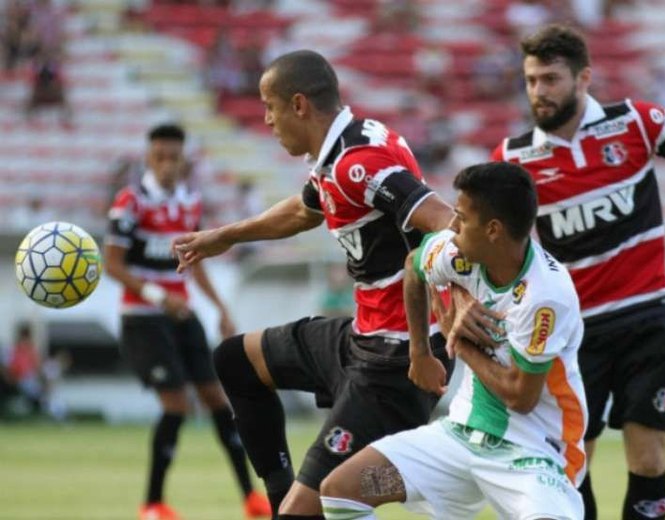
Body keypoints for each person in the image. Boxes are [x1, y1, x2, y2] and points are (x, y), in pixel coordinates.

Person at [487, 25, 665, 520]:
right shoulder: (513, 160)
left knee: (649, 455)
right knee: (573, 462)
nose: (539, 92)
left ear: (584, 78)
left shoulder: (636, 122)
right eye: (531, 80)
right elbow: (490, 242)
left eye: (550, 79)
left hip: (647, 315)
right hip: (572, 332)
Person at [172, 50, 455, 519]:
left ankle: (428, 476)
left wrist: (430, 343)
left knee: (319, 505)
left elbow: (443, 221)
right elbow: (306, 209)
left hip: (395, 359)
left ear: (299, 104)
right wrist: (224, 236)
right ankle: (285, 499)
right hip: (363, 337)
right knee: (236, 361)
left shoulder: (356, 163)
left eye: (270, 106)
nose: (266, 119)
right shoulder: (339, 152)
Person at [317, 161, 587, 520]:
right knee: (342, 491)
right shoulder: (458, 253)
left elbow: (521, 397)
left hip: (533, 451)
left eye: (461, 218)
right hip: (460, 436)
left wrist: (455, 339)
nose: (453, 226)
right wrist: (419, 352)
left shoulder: (544, 296)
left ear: (493, 229)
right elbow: (414, 265)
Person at [104, 124, 271, 520]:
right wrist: (159, 296)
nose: (165, 164)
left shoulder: (190, 203)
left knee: (218, 401)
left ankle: (250, 498)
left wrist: (220, 307)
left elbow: (195, 267)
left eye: (173, 157)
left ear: (184, 161)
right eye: (159, 156)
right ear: (148, 158)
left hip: (182, 314)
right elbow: (112, 264)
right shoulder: (130, 203)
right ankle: (152, 504)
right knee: (176, 404)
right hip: (143, 317)